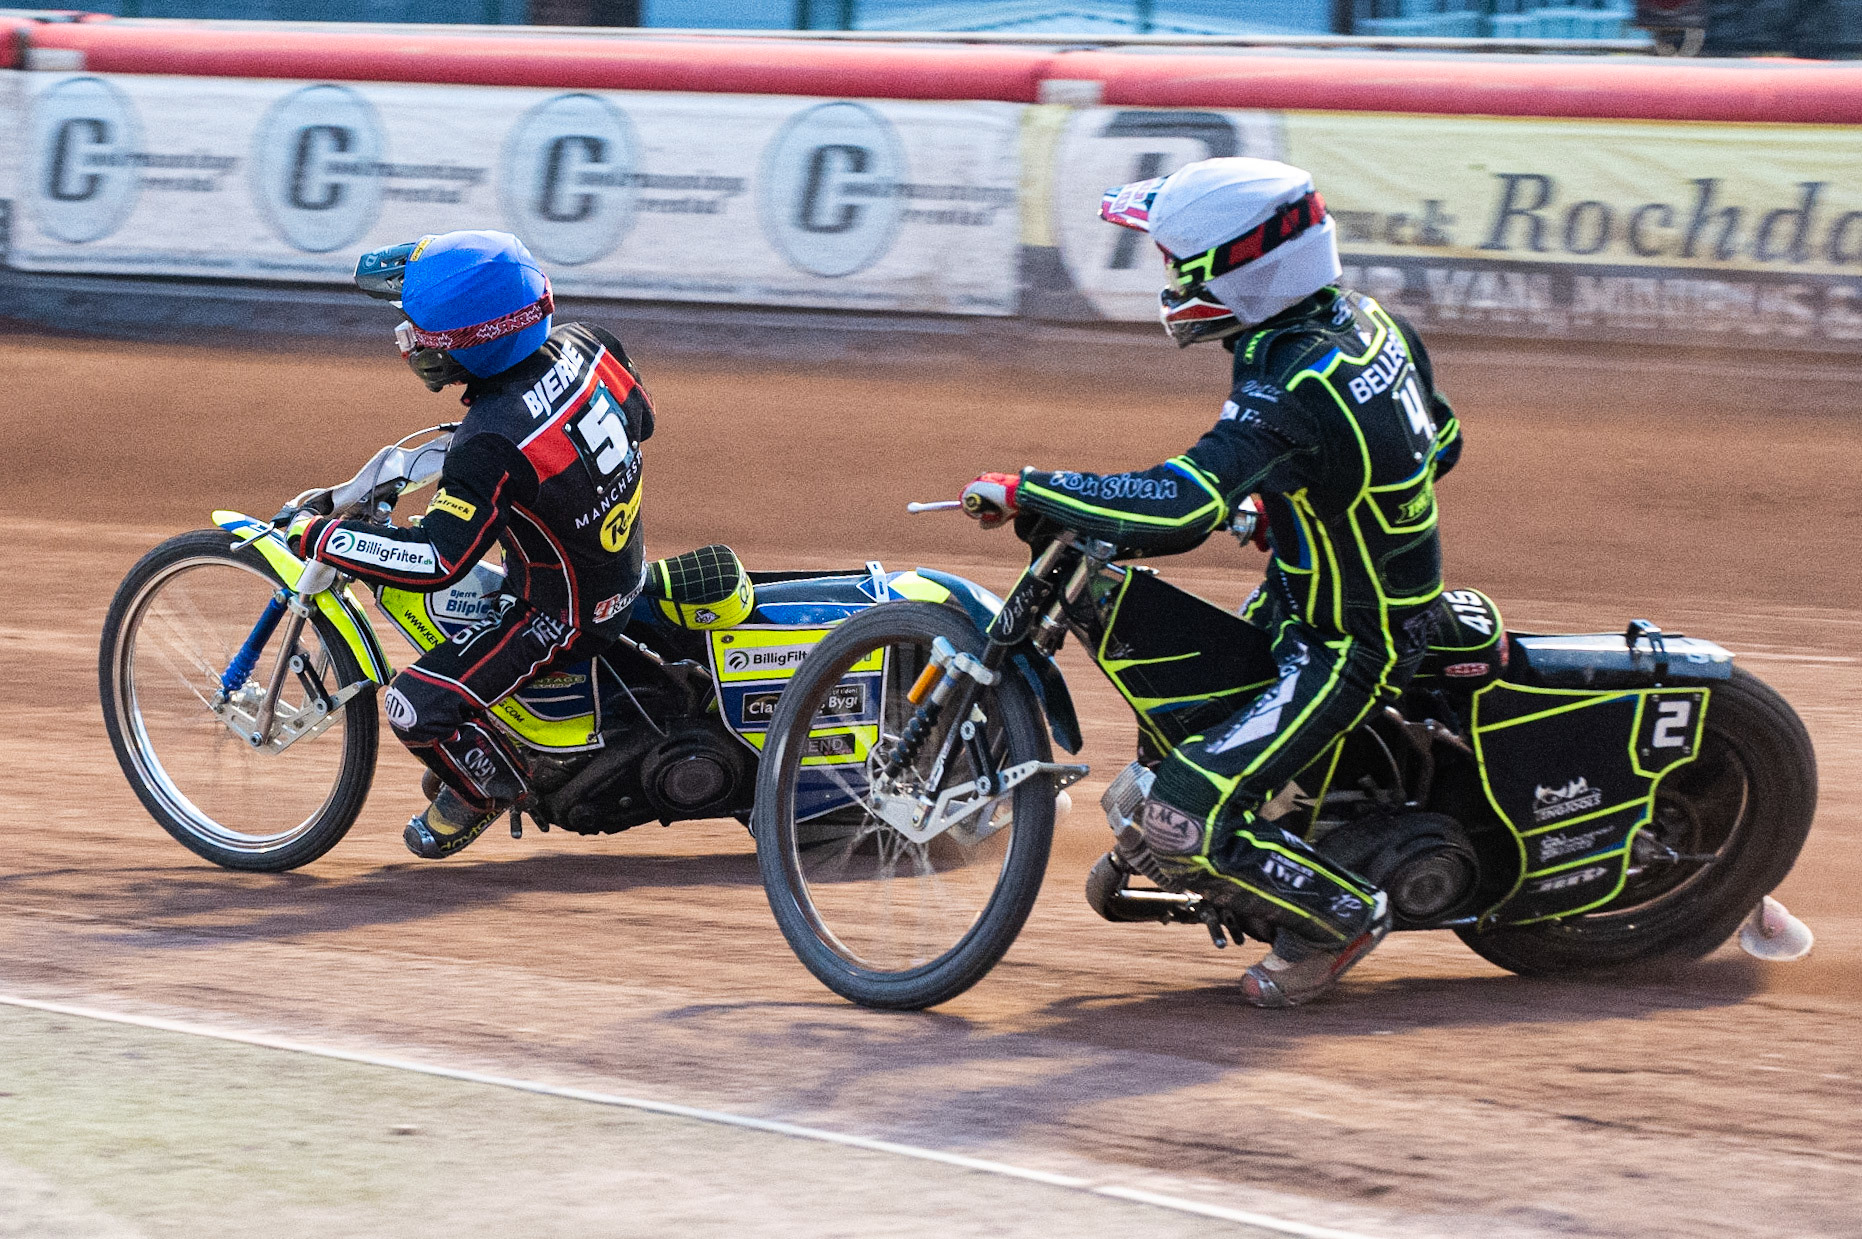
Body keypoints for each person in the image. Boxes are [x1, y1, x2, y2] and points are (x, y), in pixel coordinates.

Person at [959, 159, 1462, 1007]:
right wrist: (1299, 505)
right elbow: (1438, 441)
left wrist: (1033, 487)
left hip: (1349, 642)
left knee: (1181, 817)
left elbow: (1183, 505)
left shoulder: (1295, 381)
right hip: (1312, 593)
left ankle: (1340, 916)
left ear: (1239, 269)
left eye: (1177, 261)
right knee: (1183, 710)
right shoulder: (1366, 324)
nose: (1168, 277)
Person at [285, 230, 654, 859]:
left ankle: (487, 790)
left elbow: (437, 561)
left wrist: (325, 537)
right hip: (621, 569)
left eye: (418, 328)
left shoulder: (490, 441)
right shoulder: (590, 345)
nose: (408, 337)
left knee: (409, 706)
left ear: (469, 343)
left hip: (559, 616)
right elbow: (641, 419)